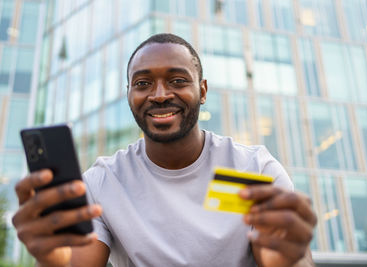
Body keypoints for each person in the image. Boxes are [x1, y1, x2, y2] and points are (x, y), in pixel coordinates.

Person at [12, 33, 317, 267]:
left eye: (177, 80)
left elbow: (289, 255)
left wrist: (291, 259)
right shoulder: (103, 182)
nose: (159, 95)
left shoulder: (254, 169)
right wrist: (50, 259)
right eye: (143, 83)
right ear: (129, 94)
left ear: (203, 90)